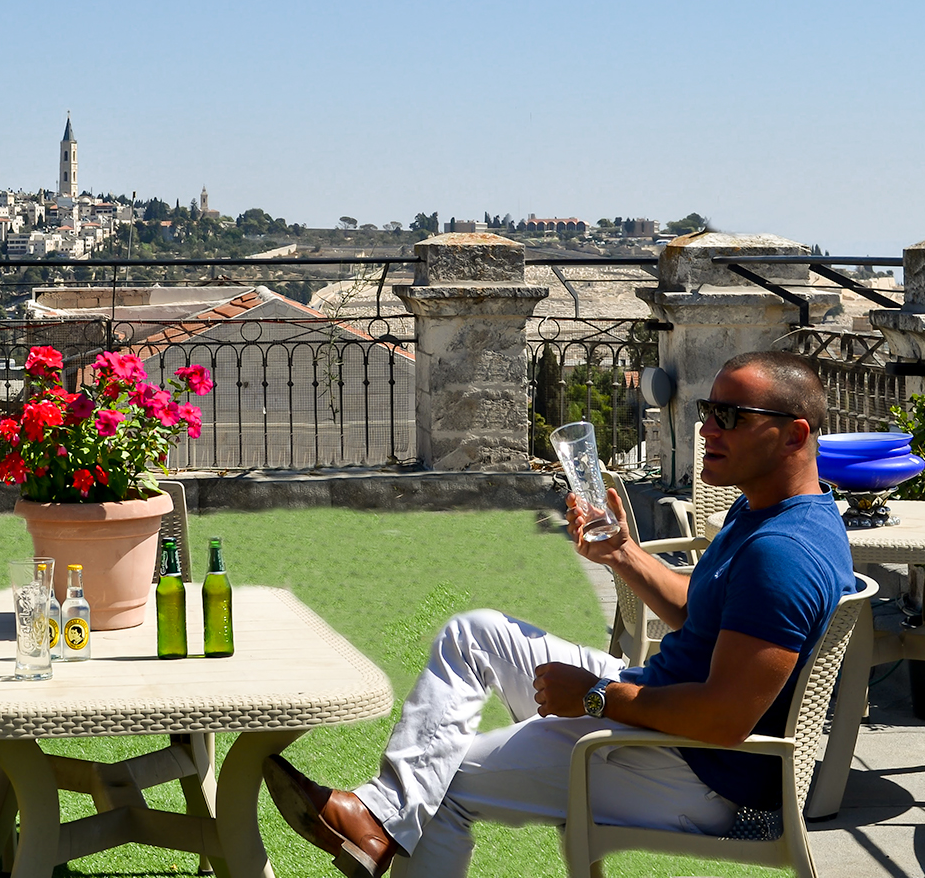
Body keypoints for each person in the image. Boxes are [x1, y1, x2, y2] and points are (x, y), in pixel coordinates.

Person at [263, 351, 855, 878]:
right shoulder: (766, 514)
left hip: (700, 774)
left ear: (792, 435)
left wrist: (596, 697)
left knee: (441, 784)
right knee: (475, 633)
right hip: (665, 716)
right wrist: (623, 552)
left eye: (729, 416)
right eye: (707, 410)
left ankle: (381, 821)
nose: (706, 429)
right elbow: (696, 614)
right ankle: (379, 818)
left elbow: (724, 717)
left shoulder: (782, 553)